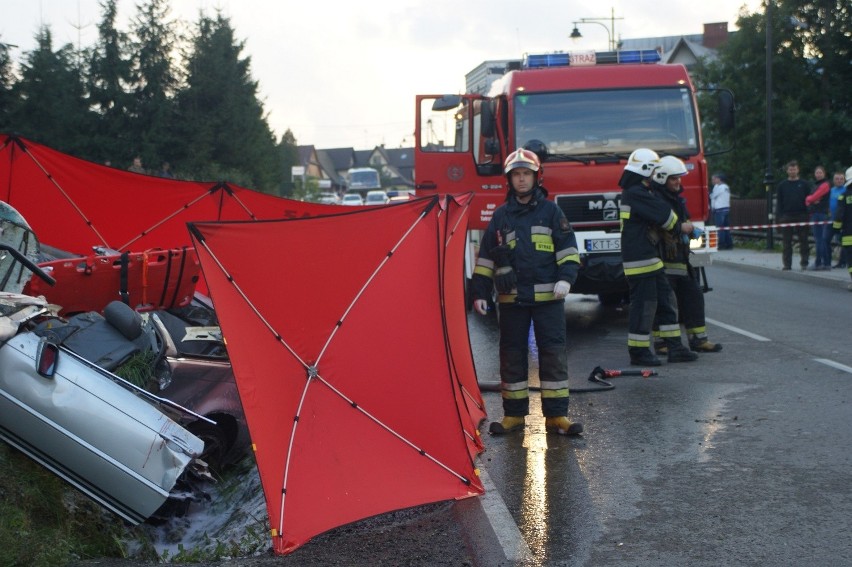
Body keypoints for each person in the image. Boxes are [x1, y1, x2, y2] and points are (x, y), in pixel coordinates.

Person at [471, 148, 583, 436]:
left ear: (536, 177)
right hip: (512, 302)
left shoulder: (551, 212)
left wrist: (566, 279)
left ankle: (557, 417)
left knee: (553, 355)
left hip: (549, 300)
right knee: (511, 357)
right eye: (516, 175)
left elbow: (569, 250)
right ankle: (514, 416)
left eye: (526, 174)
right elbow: (485, 259)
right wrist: (479, 293)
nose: (521, 180)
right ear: (509, 180)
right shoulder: (501, 217)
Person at [618, 148, 697, 367]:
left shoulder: (638, 192)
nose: (655, 177)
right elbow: (668, 218)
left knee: (666, 301)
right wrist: (684, 226)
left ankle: (675, 347)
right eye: (653, 172)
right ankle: (638, 351)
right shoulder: (636, 193)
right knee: (643, 306)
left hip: (650, 258)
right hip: (641, 260)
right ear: (646, 171)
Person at [651, 156, 722, 354]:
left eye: (679, 178)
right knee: (666, 304)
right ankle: (663, 343)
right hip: (664, 261)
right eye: (674, 179)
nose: (678, 182)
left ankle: (699, 340)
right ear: (663, 178)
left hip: (684, 259)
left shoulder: (677, 200)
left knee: (694, 297)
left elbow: (685, 222)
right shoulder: (657, 201)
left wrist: (694, 242)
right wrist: (681, 230)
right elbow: (663, 226)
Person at [775, 160, 811, 271]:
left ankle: (804, 263)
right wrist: (779, 218)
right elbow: (779, 202)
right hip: (787, 216)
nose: (792, 171)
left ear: (798, 170)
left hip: (802, 215)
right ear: (787, 171)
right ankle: (787, 264)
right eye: (790, 169)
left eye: (794, 169)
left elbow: (809, 200)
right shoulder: (782, 185)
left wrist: (808, 214)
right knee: (786, 242)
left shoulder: (804, 184)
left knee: (804, 240)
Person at [805, 165, 832, 270]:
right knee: (821, 239)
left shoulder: (824, 185)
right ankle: (826, 263)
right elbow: (811, 199)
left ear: (824, 173)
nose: (818, 174)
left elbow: (812, 198)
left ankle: (819, 263)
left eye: (820, 172)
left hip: (819, 214)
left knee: (819, 239)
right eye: (817, 173)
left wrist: (809, 199)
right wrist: (810, 200)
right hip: (817, 213)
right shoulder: (818, 185)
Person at [831, 165, 852, 291]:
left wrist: (836, 230)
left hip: (849, 234)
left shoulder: (843, 197)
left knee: (851, 260)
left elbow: (839, 216)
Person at [829, 170, 847, 268]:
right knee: (837, 241)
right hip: (833, 220)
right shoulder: (831, 191)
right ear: (833, 180)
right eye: (837, 179)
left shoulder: (846, 190)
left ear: (844, 180)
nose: (839, 181)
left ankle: (842, 262)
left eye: (841, 179)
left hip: (844, 221)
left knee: (844, 242)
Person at [710, 173, 733, 250]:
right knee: (726, 228)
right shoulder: (725, 187)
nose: (712, 180)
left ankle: (721, 244)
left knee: (720, 228)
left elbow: (713, 196)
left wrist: (709, 194)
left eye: (714, 179)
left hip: (720, 209)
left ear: (719, 179)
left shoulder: (721, 187)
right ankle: (729, 244)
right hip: (726, 208)